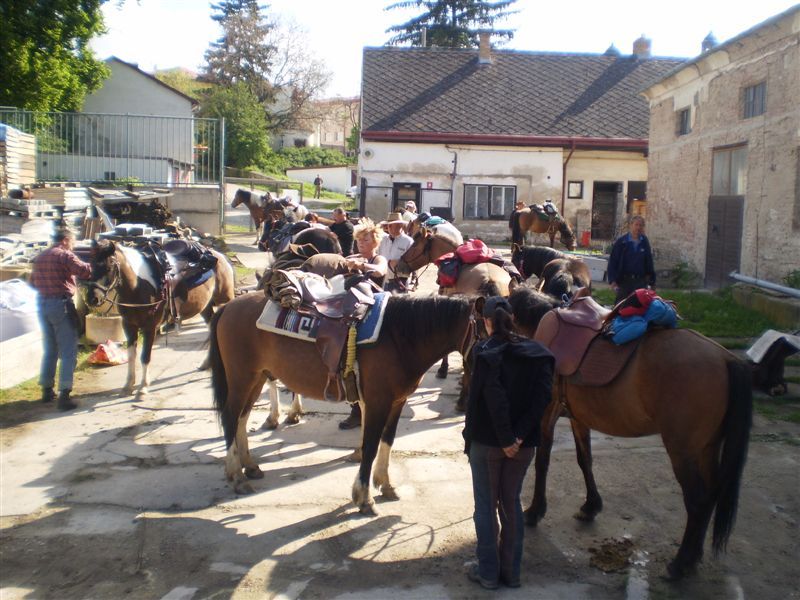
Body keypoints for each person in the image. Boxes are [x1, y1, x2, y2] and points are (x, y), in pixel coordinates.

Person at [463, 296, 554, 590]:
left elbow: (492, 394)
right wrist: (519, 436)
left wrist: (504, 437)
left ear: (486, 321)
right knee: (511, 503)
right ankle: (512, 572)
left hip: (488, 444)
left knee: (486, 506)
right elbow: (543, 399)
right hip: (524, 445)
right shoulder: (540, 353)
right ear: (513, 318)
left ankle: (488, 572)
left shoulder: (484, 351)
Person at [29, 229, 92, 411]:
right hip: (61, 305)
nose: (73, 246)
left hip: (42, 304)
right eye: (72, 242)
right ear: (65, 240)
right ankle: (65, 394)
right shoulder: (64, 255)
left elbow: (32, 283)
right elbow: (85, 272)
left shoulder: (41, 257)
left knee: (50, 349)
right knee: (68, 351)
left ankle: (47, 390)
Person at [337, 218, 388, 430]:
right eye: (359, 239)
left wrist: (361, 265)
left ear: (375, 242)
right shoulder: (352, 257)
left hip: (374, 313)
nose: (361, 243)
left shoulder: (379, 258)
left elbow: (380, 271)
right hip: (353, 312)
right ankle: (355, 409)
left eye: (366, 239)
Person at [607, 214, 656, 303]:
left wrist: (652, 281)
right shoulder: (622, 242)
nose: (638, 228)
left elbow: (649, 261)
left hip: (640, 281)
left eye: (641, 225)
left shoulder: (644, 241)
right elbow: (613, 262)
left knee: (639, 307)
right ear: (631, 225)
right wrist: (612, 281)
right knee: (621, 307)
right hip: (624, 281)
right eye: (636, 225)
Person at [377, 211, 413, 293]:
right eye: (388, 226)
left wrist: (399, 264)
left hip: (400, 281)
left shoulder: (408, 241)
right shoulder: (382, 240)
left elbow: (412, 264)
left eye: (391, 225)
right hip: (384, 281)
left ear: (400, 226)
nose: (388, 228)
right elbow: (378, 257)